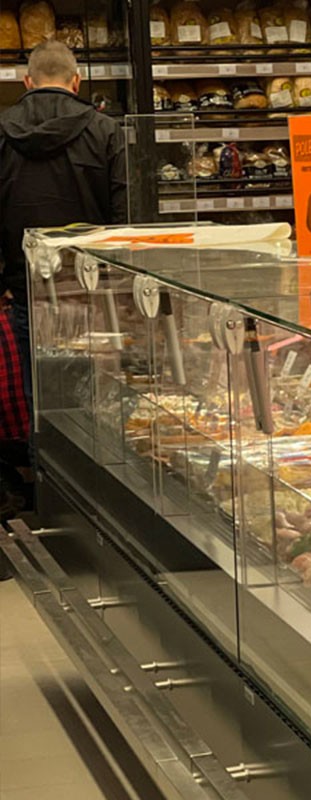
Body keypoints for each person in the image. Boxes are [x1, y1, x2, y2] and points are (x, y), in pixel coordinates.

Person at [0, 40, 127, 527]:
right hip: (94, 296)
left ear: (26, 82)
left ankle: (57, 510)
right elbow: (125, 220)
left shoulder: (2, 133)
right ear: (77, 82)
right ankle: (104, 511)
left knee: (43, 404)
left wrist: (5, 283)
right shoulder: (105, 130)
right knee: (100, 402)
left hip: (28, 292)